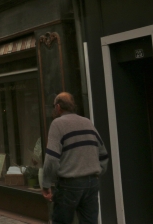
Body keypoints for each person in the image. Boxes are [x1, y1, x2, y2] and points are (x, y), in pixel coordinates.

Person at [42, 92, 108, 224]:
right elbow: (103, 153)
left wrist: (46, 184)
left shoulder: (57, 124)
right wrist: (97, 171)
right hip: (92, 183)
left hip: (69, 184)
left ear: (58, 107)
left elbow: (52, 159)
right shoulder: (87, 122)